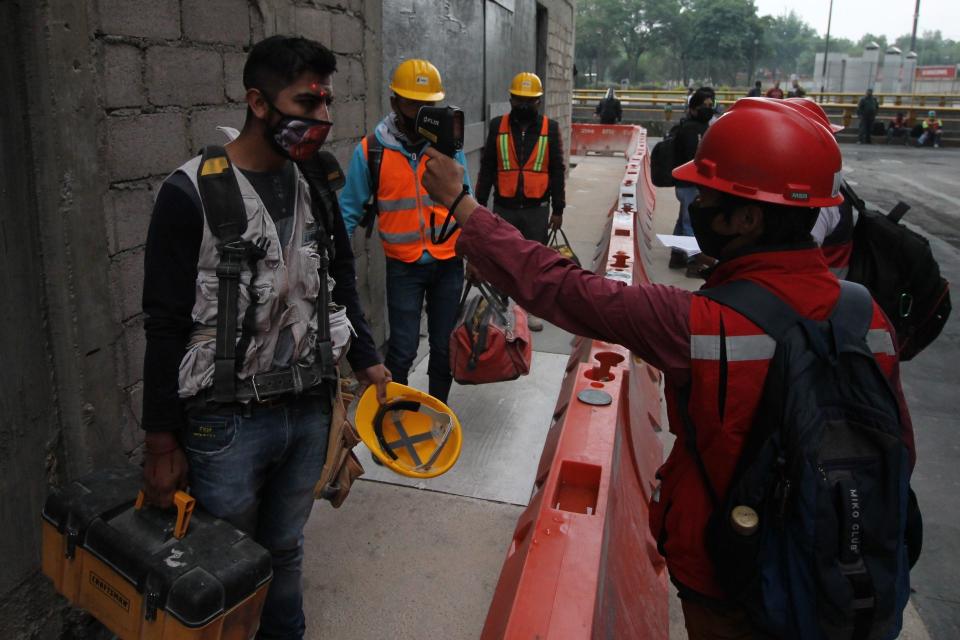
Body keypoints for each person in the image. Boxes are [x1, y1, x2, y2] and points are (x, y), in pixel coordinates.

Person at [419, 97, 915, 640]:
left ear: (748, 219)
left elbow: (566, 290)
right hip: (848, 563)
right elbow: (898, 444)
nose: (695, 204)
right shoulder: (865, 312)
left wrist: (464, 207)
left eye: (707, 196)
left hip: (733, 574)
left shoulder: (699, 323)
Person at [140, 36, 390, 639]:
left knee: (285, 548)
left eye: (326, 102)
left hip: (307, 411)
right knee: (223, 563)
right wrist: (160, 440)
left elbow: (338, 281)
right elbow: (165, 322)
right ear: (258, 101)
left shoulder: (316, 186)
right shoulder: (190, 193)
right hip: (226, 424)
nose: (320, 117)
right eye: (306, 101)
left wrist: (366, 359)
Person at [339, 59, 470, 403]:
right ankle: (395, 419)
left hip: (449, 264)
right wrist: (329, 262)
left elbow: (467, 202)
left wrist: (481, 252)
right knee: (402, 350)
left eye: (428, 104)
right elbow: (348, 212)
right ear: (395, 101)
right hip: (404, 268)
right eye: (413, 103)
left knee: (443, 349)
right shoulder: (372, 151)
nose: (421, 112)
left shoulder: (448, 148)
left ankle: (437, 412)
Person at [475, 72, 566, 332]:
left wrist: (558, 209)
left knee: (534, 262)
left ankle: (530, 310)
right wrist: (480, 206)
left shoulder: (551, 128)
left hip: (537, 209)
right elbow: (487, 167)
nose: (524, 105)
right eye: (519, 100)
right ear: (511, 99)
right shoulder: (497, 126)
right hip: (504, 206)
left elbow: (557, 170)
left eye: (530, 100)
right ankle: (499, 306)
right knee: (500, 259)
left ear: (539, 101)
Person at [669, 88, 714, 275]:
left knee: (683, 220)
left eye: (711, 105)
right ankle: (693, 261)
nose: (709, 109)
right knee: (691, 223)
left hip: (688, 184)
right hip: (689, 183)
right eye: (705, 106)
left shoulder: (703, 128)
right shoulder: (689, 130)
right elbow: (690, 157)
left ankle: (677, 255)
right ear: (693, 108)